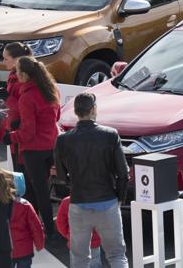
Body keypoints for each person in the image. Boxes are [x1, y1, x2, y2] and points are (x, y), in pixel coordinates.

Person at [54, 93, 129, 268]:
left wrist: (74, 184)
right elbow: (123, 173)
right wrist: (119, 198)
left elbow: (60, 175)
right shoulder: (110, 135)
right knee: (117, 255)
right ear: (94, 109)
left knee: (80, 258)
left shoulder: (63, 139)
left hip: (79, 203)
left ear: (76, 111)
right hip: (107, 202)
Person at [3, 56, 60, 237]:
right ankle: (50, 226)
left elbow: (28, 133)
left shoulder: (27, 97)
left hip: (33, 150)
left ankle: (43, 230)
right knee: (45, 188)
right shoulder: (51, 90)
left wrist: (10, 137)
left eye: (18, 72)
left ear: (26, 75)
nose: (16, 75)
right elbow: (55, 118)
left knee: (37, 190)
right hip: (51, 144)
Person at [0, 42, 33, 172]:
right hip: (13, 126)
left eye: (6, 59)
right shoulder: (13, 75)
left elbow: (24, 106)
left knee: (22, 170)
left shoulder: (24, 78)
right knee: (17, 169)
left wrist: (7, 98)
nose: (3, 62)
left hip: (21, 128)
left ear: (17, 59)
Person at [10, 169, 44, 268]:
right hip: (25, 250)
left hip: (7, 250)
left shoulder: (0, 205)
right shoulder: (25, 205)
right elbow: (36, 227)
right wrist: (39, 244)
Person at [56, 195, 102, 268]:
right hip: (93, 243)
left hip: (75, 243)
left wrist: (68, 235)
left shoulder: (67, 201)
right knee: (95, 264)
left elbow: (60, 223)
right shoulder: (98, 200)